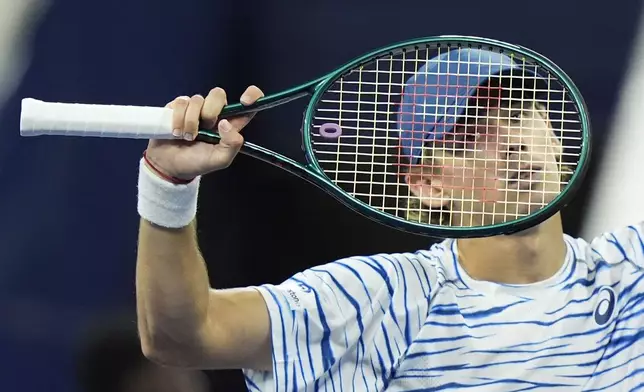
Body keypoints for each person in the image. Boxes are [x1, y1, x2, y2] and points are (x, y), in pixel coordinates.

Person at [135, 48, 644, 391]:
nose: (511, 141)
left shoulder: (633, 269)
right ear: (427, 184)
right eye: (470, 135)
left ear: (555, 138)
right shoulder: (378, 299)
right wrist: (168, 186)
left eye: (519, 115)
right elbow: (182, 334)